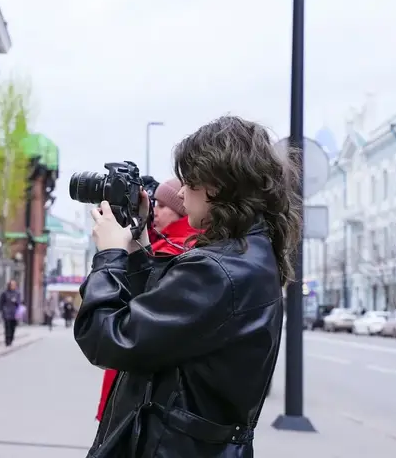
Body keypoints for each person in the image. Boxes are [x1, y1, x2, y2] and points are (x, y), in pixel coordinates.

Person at [75, 116, 302, 457]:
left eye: (190, 181)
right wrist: (137, 245)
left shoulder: (219, 270)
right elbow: (159, 323)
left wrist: (109, 255)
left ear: (218, 185)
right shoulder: (247, 257)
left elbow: (109, 340)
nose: (181, 192)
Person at [94, 178, 200, 422]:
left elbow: (108, 334)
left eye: (162, 206)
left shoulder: (177, 253)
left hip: (142, 394)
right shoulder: (172, 246)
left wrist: (109, 256)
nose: (155, 212)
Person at [0, 280, 21, 346]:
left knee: (13, 327)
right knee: (7, 327)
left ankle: (11, 338)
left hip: (14, 313)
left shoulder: (17, 293)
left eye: (14, 285)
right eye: (12, 285)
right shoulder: (4, 293)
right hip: (6, 312)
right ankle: (7, 341)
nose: (13, 286)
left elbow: (19, 303)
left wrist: (15, 301)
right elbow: (1, 302)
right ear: (9, 285)